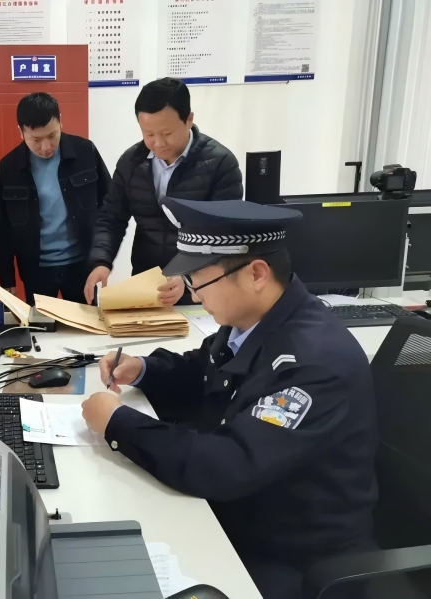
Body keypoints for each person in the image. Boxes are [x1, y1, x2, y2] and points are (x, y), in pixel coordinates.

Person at [81, 197, 378, 599]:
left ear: (256, 273)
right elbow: (204, 370)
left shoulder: (315, 363)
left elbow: (228, 465)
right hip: (247, 513)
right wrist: (145, 369)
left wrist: (118, 424)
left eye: (199, 281)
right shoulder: (255, 320)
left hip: (294, 557)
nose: (194, 295)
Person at [84, 78, 243, 306]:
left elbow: (223, 234)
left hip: (202, 289)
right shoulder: (131, 162)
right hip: (147, 284)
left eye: (167, 133)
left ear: (189, 119)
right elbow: (111, 218)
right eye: (148, 134)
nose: (158, 143)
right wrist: (101, 261)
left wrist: (186, 277)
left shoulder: (220, 164)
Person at [0, 93, 111, 306]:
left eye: (52, 135)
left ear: (60, 122)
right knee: (41, 325)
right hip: (36, 270)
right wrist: (7, 279)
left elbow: (110, 205)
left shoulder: (85, 152)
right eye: (36, 140)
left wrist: (103, 258)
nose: (46, 147)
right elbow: (2, 229)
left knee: (86, 324)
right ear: (21, 132)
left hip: (81, 265)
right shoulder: (9, 168)